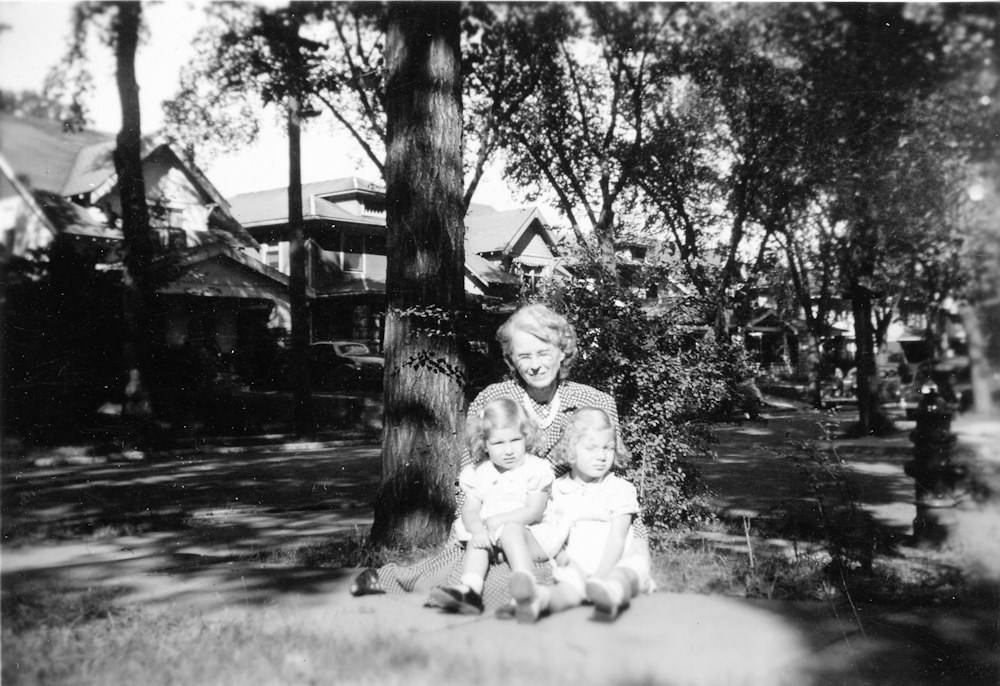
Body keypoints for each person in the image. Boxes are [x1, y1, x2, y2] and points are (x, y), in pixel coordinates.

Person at [350, 303, 647, 610]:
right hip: (495, 524)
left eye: (544, 352)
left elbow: (615, 483)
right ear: (511, 360)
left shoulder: (594, 402)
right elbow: (470, 480)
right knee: (466, 568)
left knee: (517, 583)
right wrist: (476, 530)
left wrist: (636, 544)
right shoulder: (493, 399)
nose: (535, 365)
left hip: (567, 529)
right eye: (524, 355)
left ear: (563, 351)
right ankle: (401, 580)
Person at [506, 407, 654, 623]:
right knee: (567, 590)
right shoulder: (557, 489)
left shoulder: (620, 489)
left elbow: (617, 540)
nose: (601, 456)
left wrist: (599, 577)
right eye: (591, 448)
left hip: (615, 562)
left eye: (608, 448)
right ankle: (538, 600)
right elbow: (554, 534)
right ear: (570, 450)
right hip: (576, 564)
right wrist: (569, 564)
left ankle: (610, 595)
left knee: (627, 572)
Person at [427, 398, 567, 614]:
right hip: (495, 539)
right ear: (484, 444)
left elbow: (533, 511)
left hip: (533, 538)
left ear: (525, 437)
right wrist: (479, 529)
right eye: (498, 443)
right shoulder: (478, 473)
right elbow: (470, 510)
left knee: (511, 530)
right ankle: (470, 590)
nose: (508, 450)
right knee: (477, 539)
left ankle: (527, 590)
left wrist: (499, 521)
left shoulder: (535, 469)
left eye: (515, 440)